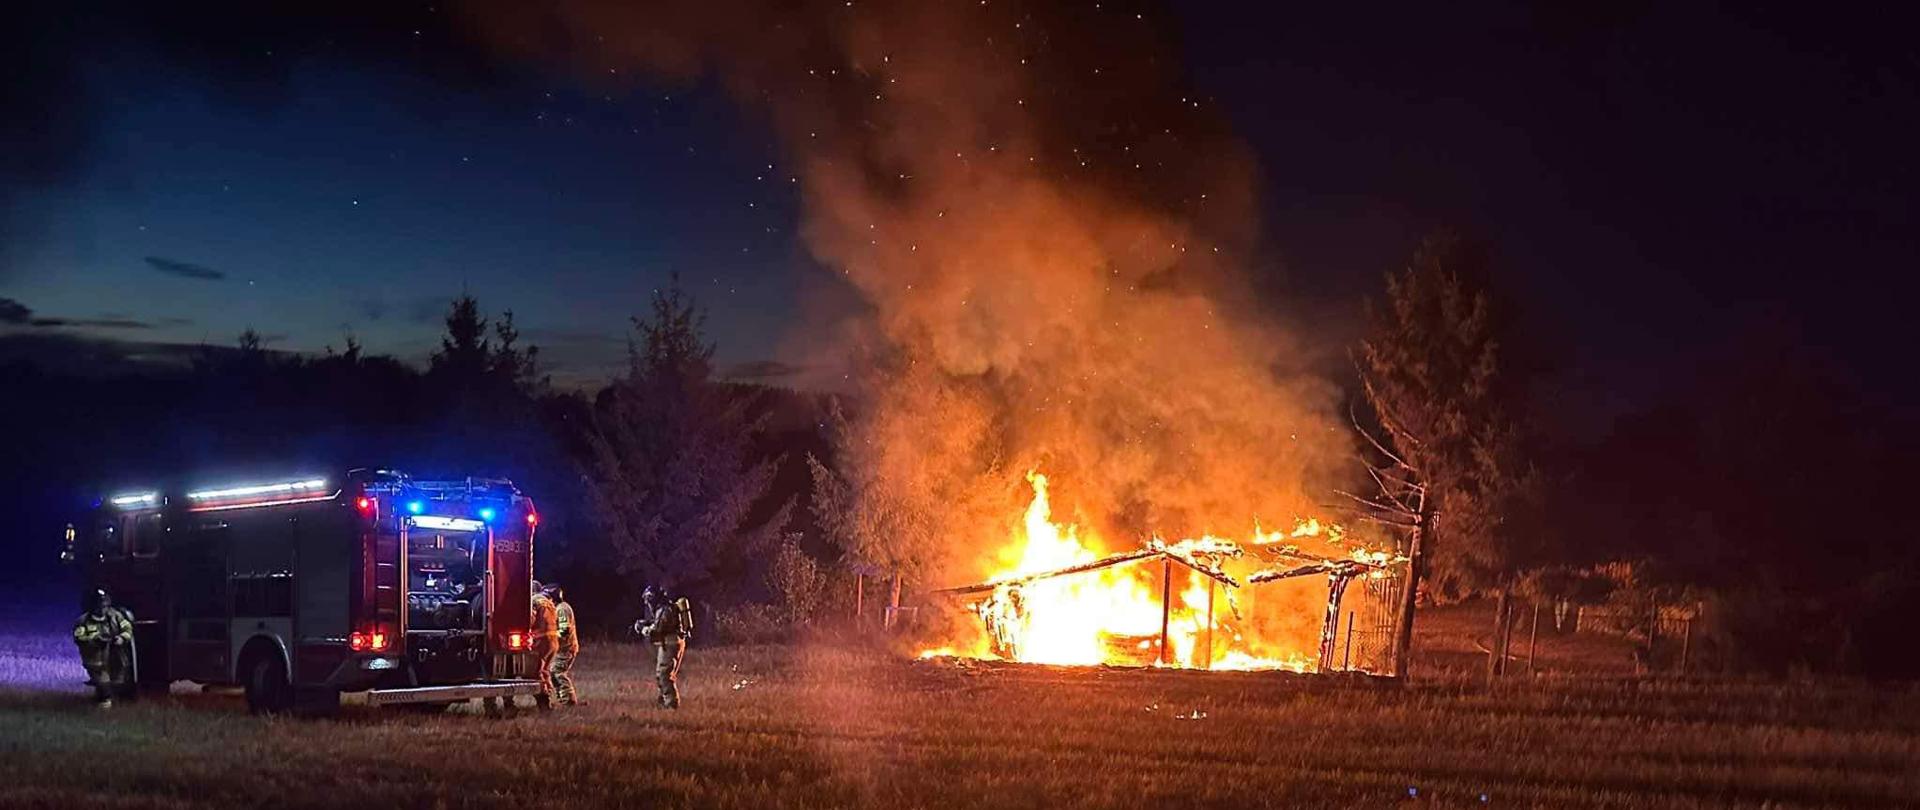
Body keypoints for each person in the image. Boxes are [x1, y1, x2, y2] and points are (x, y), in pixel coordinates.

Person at [72, 589, 134, 708]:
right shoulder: (83, 621)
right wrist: (94, 640)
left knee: (118, 683)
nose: (102, 609)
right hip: (96, 660)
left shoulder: (115, 616)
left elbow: (127, 629)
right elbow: (79, 637)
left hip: (116, 658)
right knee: (103, 685)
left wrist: (121, 638)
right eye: (99, 606)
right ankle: (103, 707)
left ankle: (115, 704)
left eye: (104, 605)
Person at [633, 585, 687, 709]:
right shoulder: (665, 609)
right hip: (672, 642)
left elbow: (656, 631)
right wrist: (646, 623)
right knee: (664, 674)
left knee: (664, 674)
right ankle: (664, 700)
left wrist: (642, 629)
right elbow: (658, 624)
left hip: (670, 644)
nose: (648, 604)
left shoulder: (664, 610)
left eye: (648, 600)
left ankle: (671, 704)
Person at [548, 584, 582, 706]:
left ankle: (569, 700)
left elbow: (564, 630)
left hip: (566, 648)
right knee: (553, 673)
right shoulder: (559, 608)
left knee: (557, 672)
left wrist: (550, 635)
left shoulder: (562, 609)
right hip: (562, 648)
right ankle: (563, 699)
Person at [529, 579, 559, 710]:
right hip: (553, 641)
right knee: (545, 671)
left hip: (541, 641)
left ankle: (543, 701)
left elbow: (531, 619)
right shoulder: (548, 601)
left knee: (535, 672)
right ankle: (548, 696)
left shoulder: (534, 600)